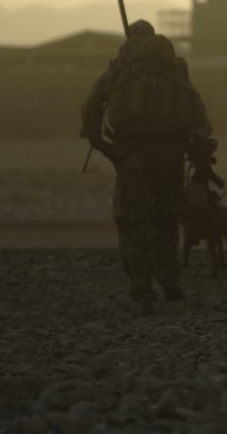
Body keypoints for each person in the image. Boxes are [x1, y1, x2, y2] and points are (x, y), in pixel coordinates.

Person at [80, 20, 216, 314]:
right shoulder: (174, 69)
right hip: (170, 154)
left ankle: (142, 288)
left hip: (132, 154)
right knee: (166, 218)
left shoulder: (121, 67)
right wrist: (200, 153)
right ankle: (170, 280)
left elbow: (92, 101)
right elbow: (197, 111)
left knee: (132, 221)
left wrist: (97, 138)